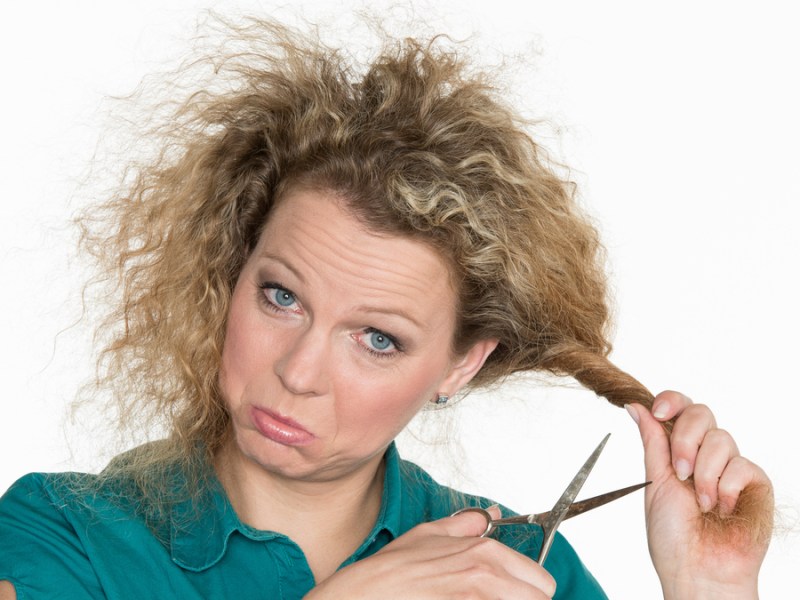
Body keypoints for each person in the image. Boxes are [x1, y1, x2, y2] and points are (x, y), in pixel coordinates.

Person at [0, 16, 774, 599]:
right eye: (281, 296)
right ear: (230, 271)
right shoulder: (61, 534)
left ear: (463, 363)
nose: (299, 371)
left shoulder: (523, 569)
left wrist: (713, 590)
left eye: (376, 338)